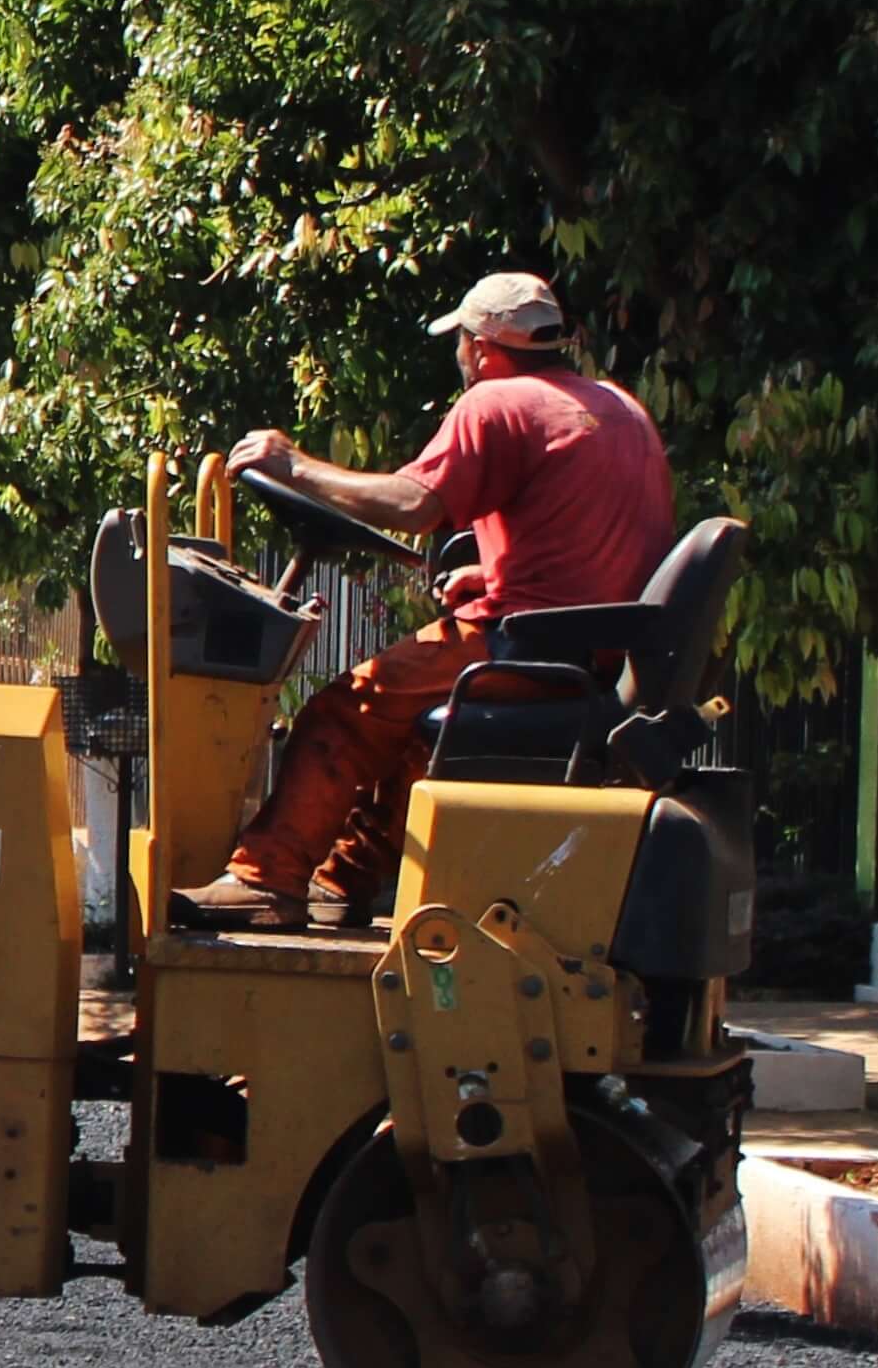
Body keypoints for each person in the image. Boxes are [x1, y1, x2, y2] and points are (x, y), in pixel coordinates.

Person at [183, 268, 675, 927]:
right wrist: (493, 578)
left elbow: (414, 504)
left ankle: (265, 881)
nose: (461, 359)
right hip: (587, 650)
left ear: (481, 347)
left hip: (525, 650)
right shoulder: (617, 408)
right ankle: (339, 885)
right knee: (413, 741)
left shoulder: (497, 402)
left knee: (344, 711)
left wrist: (291, 464)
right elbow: (587, 541)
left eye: (461, 345)